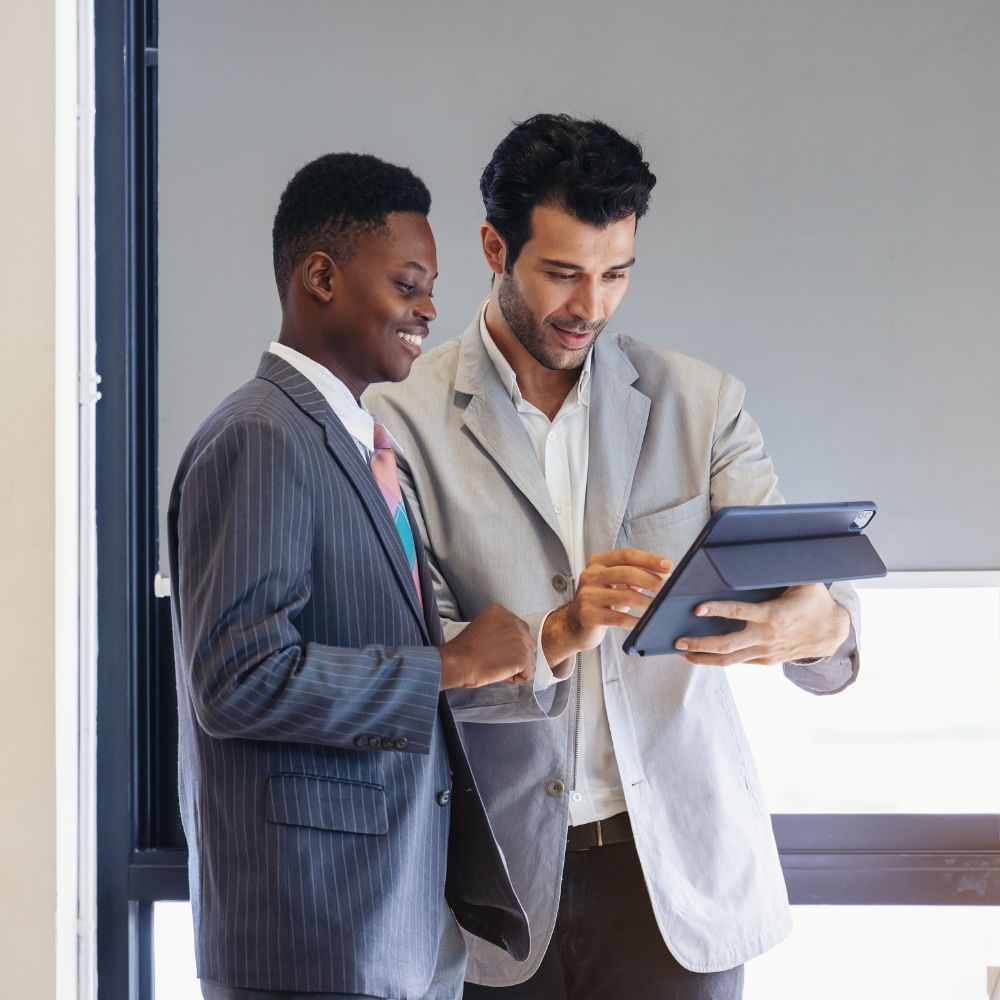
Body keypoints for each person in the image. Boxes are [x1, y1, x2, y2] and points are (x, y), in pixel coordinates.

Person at [366, 115, 861, 1000]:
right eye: (562, 272)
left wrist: (821, 629)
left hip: (673, 882)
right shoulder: (398, 420)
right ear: (494, 246)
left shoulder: (702, 404)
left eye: (616, 273)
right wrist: (557, 631)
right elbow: (411, 661)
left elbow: (807, 596)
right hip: (488, 891)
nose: (589, 306)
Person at [168, 152, 534, 1000]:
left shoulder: (363, 444)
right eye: (408, 282)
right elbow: (238, 679)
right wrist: (449, 664)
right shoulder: (261, 437)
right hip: (313, 937)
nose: (430, 308)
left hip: (391, 925)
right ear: (322, 277)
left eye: (432, 285)